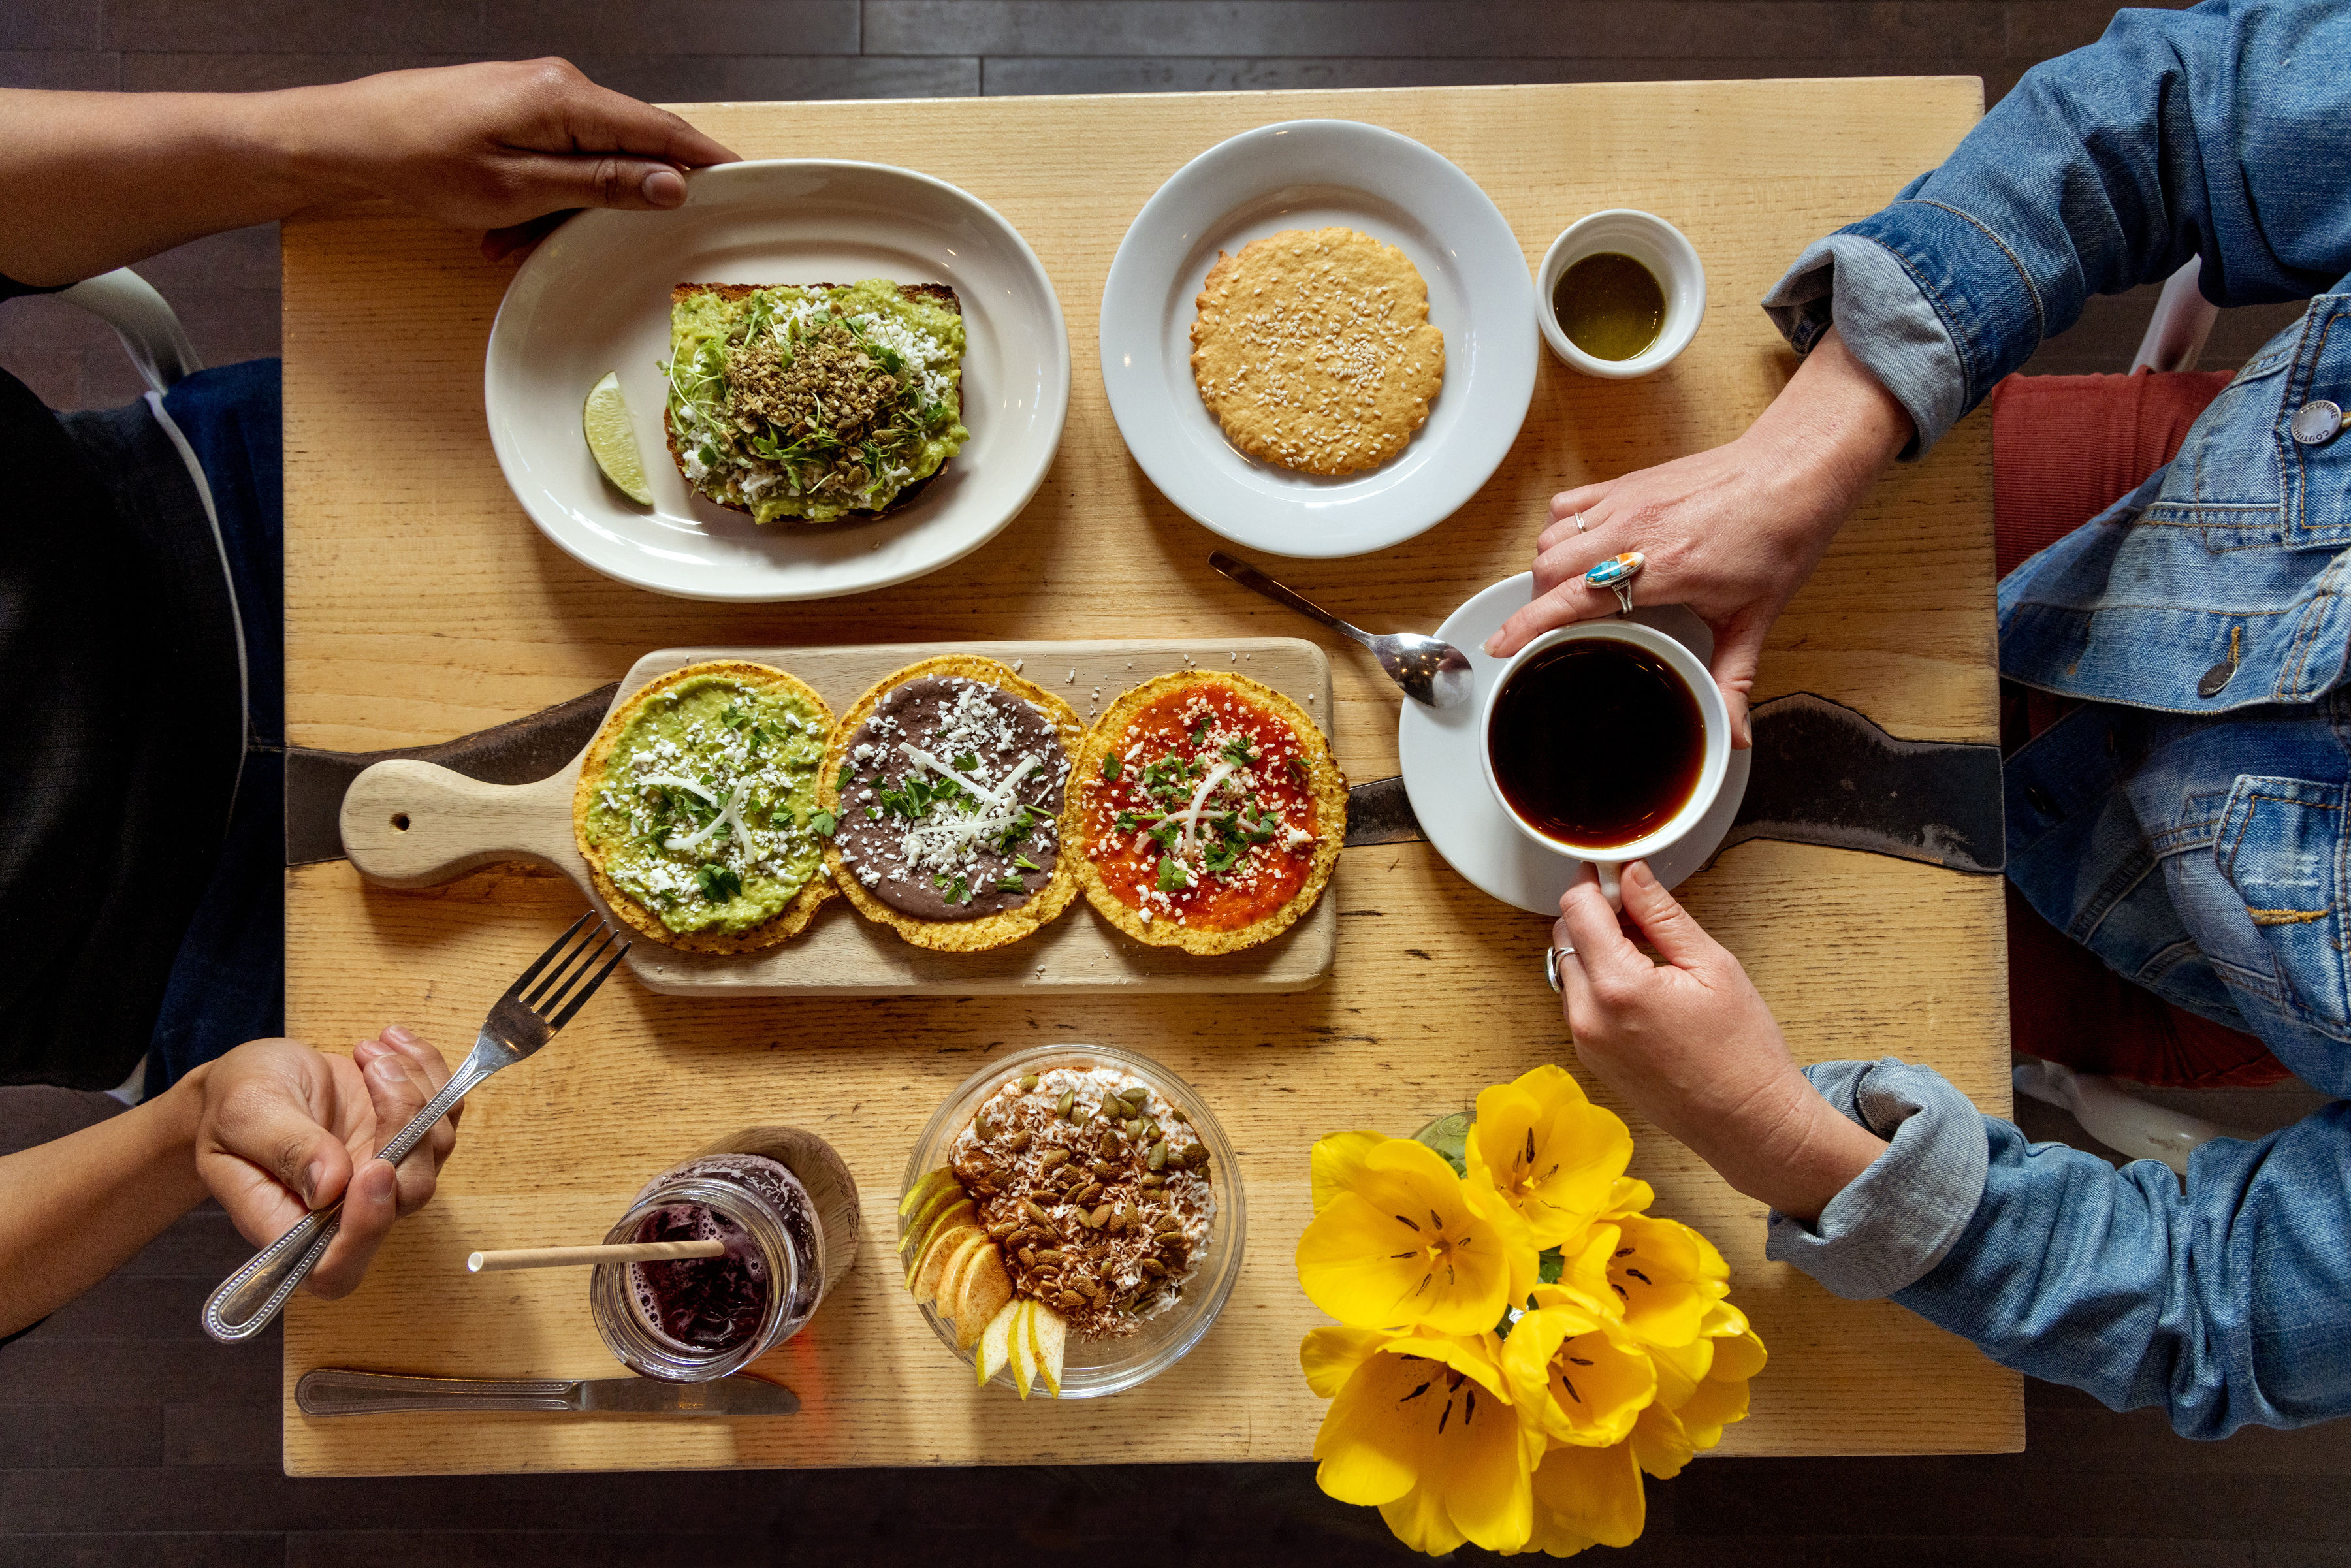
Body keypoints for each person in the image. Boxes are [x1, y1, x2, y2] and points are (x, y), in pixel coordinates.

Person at [1492, 0, 2351, 1438]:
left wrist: (1777, 1137)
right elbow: (2186, 104)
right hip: (2143, 513)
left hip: (2141, 939)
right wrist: (1816, 437)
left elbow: (2218, 1304)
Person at [0, 61, 737, 1321]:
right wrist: (193, 1127)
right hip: (183, 969)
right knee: (690, 1123)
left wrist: (320, 140)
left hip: (212, 520)